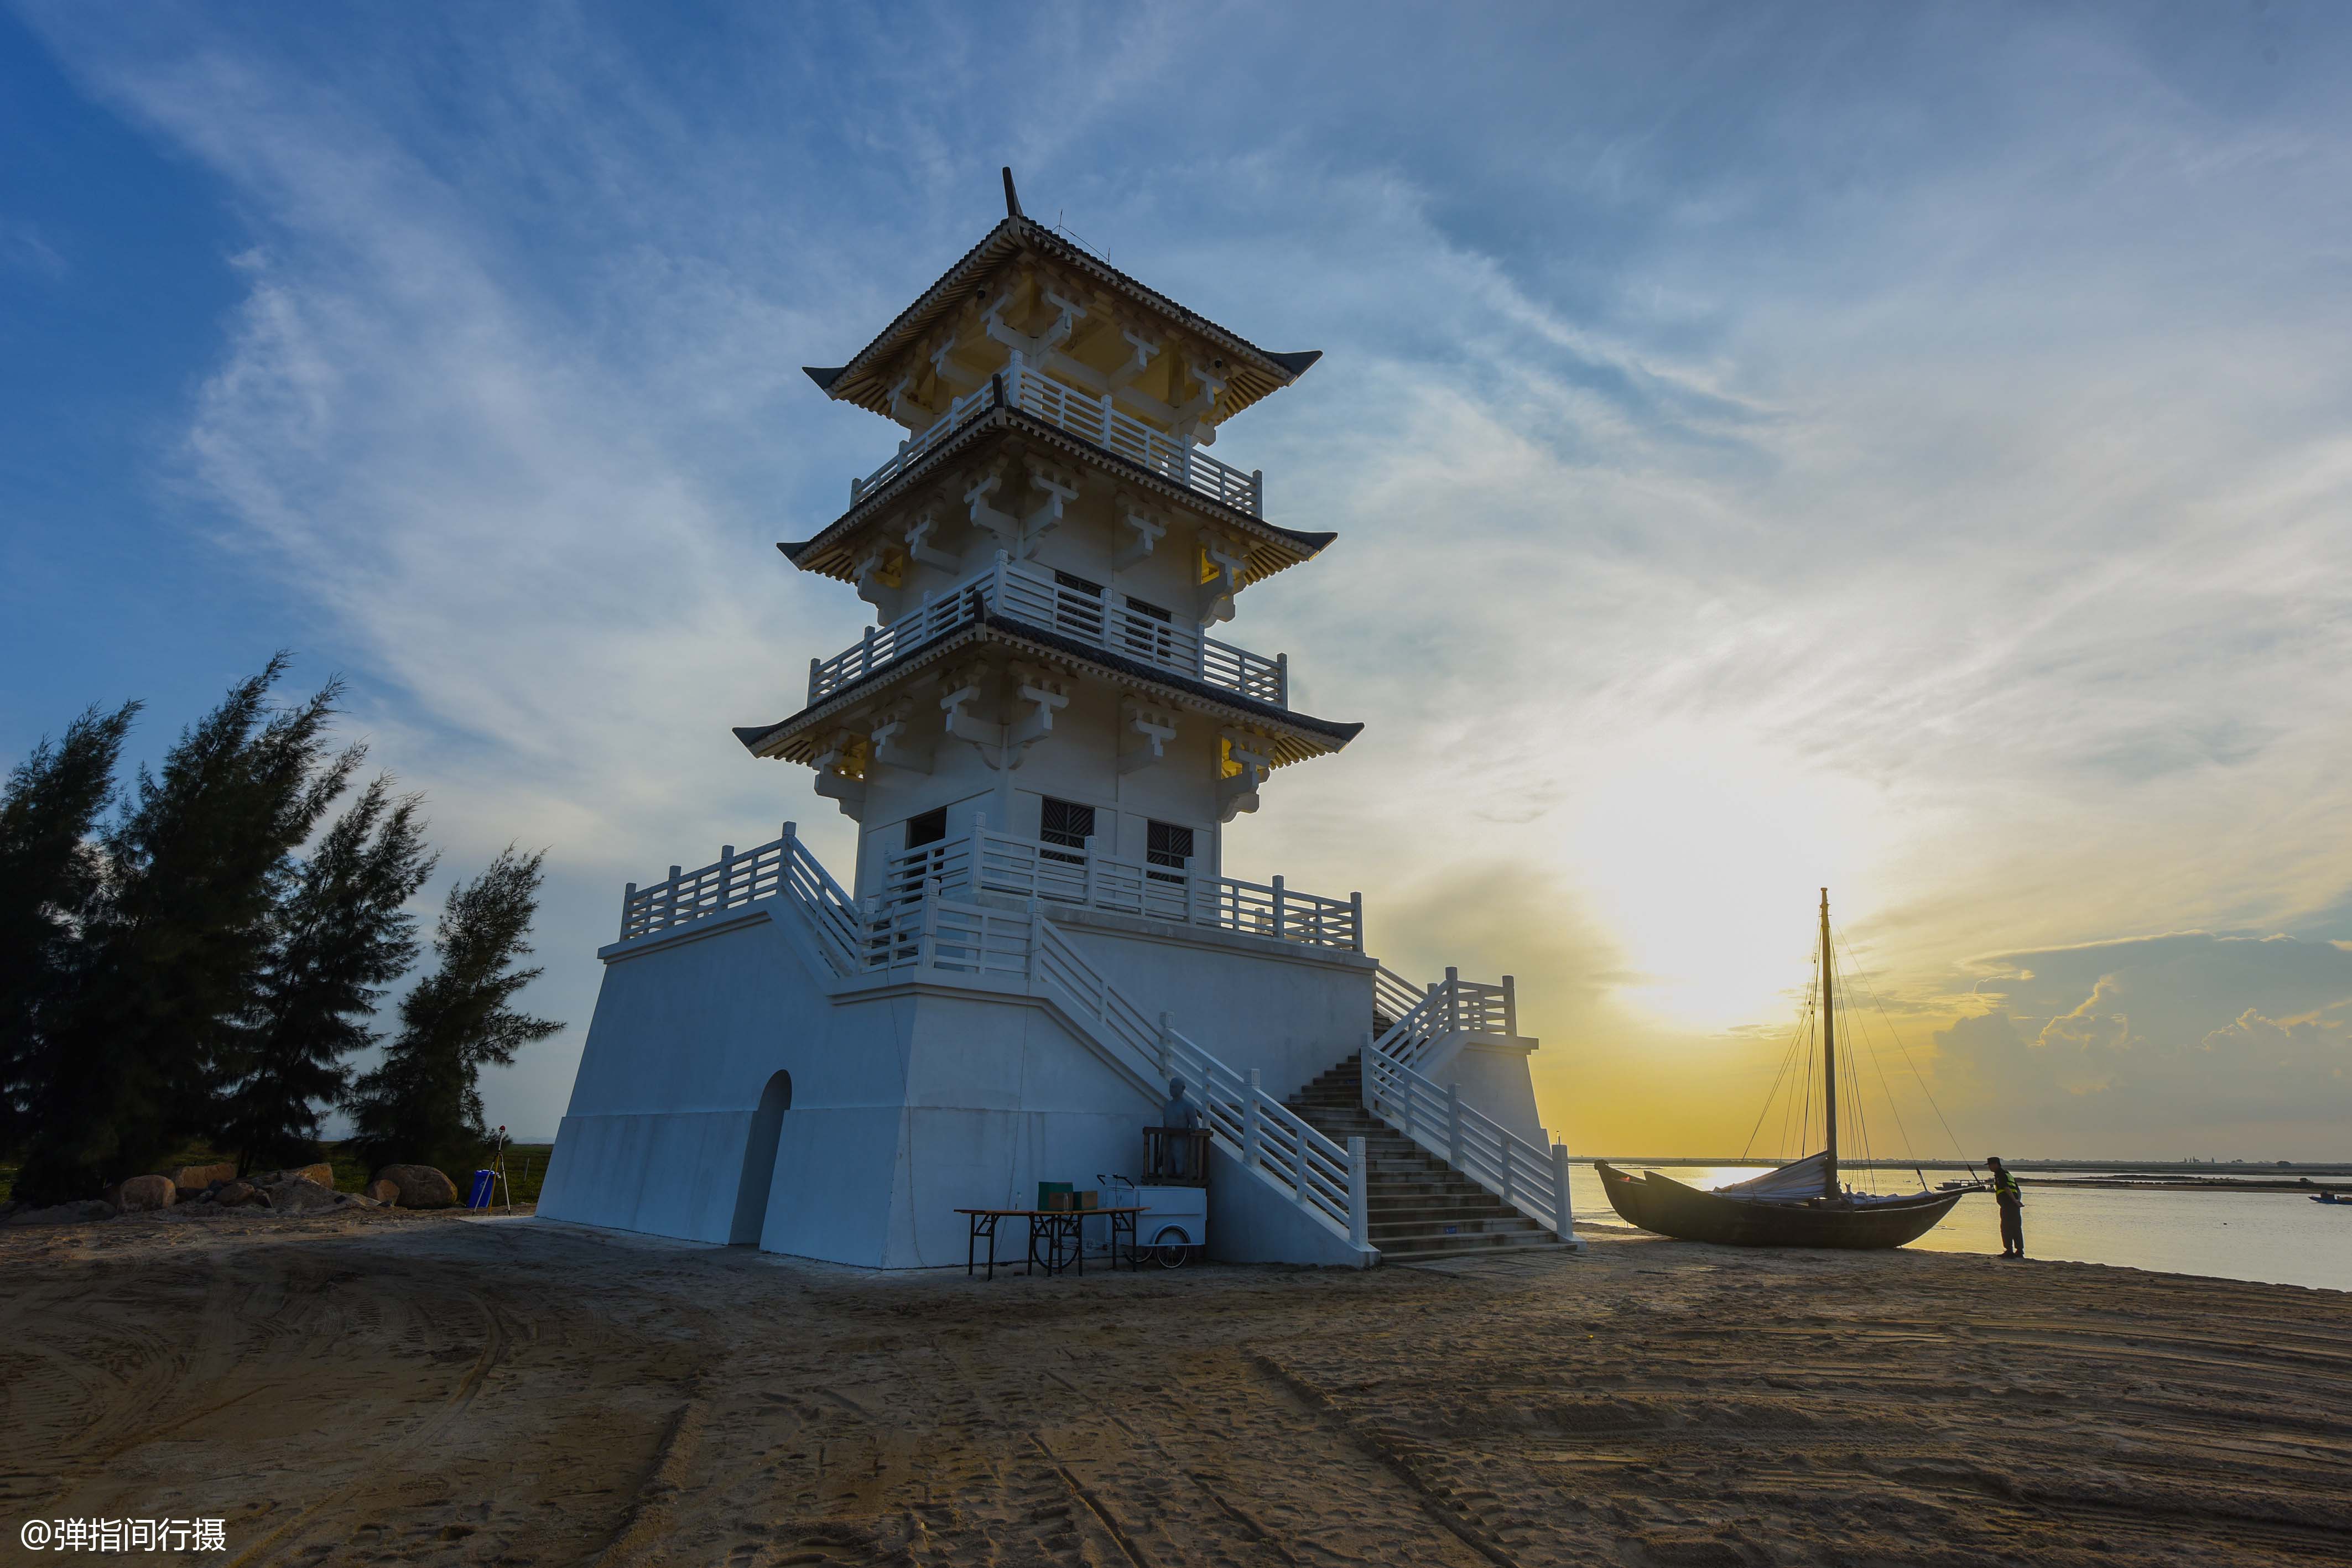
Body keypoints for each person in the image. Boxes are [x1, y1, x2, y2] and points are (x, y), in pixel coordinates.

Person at [1158, 1077, 1200, 1179]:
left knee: (1180, 1171)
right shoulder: (1167, 1106)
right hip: (1168, 1144)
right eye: (1171, 1087)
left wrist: (1194, 1155)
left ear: (1183, 1088)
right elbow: (1164, 1128)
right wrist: (1161, 1151)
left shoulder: (1188, 1106)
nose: (1171, 1089)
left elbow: (1196, 1129)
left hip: (1182, 1145)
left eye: (1174, 1087)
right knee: (1167, 1172)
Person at [1986, 1155, 2025, 1258]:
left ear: (1995, 1165)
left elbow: (2006, 1188)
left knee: (2006, 1227)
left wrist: (2014, 1201)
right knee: (2016, 1227)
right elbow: (2018, 1190)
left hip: (2008, 1206)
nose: (1989, 1167)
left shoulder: (2000, 1174)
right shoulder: (2008, 1174)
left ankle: (2009, 1250)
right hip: (2014, 1205)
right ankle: (2020, 1251)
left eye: (1990, 1165)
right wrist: (2018, 1201)